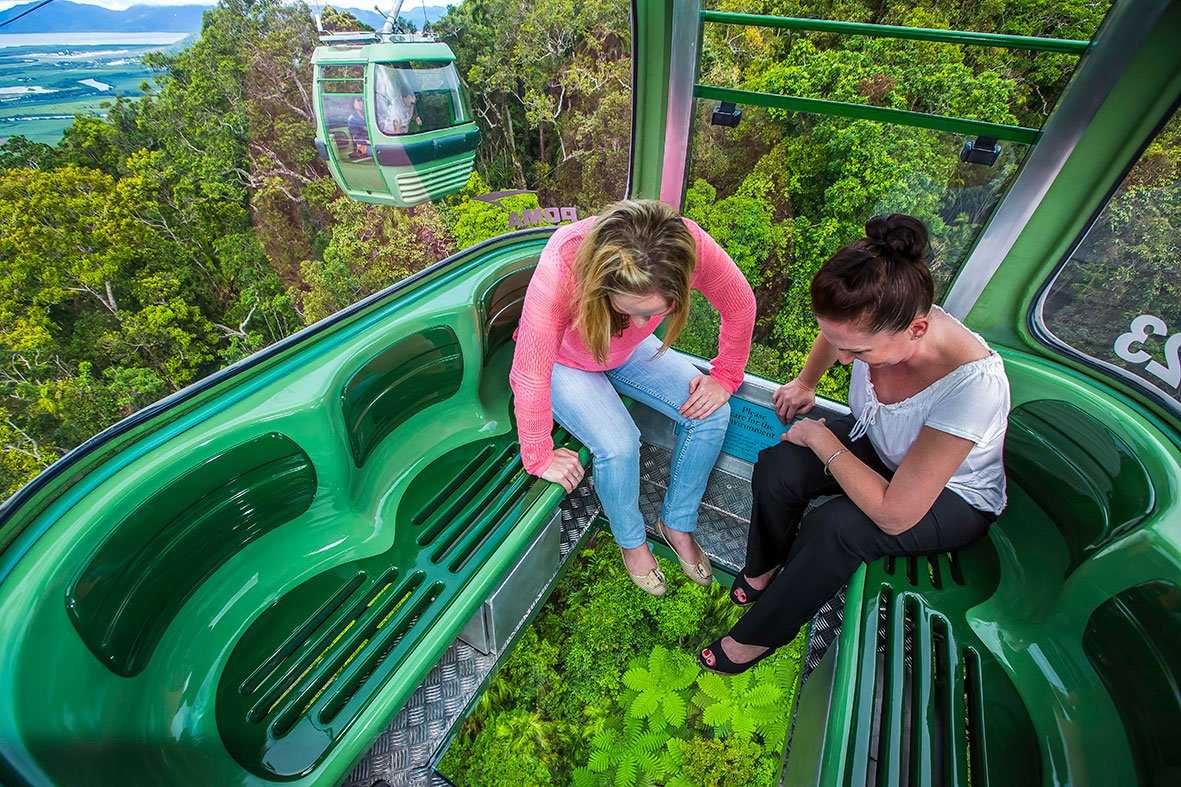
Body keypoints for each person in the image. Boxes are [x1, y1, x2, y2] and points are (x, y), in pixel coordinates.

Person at [699, 214, 1009, 673]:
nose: (844, 359)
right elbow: (836, 337)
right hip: (884, 446)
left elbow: (895, 513)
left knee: (836, 527)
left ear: (918, 331)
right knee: (780, 465)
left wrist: (823, 438)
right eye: (837, 343)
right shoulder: (877, 322)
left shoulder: (972, 387)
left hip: (949, 496)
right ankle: (763, 568)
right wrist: (807, 382)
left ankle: (761, 636)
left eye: (858, 354)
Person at [510, 199, 757, 595]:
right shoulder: (563, 265)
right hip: (566, 360)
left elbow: (740, 303)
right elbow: (530, 370)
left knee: (712, 414)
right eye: (633, 311)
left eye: (657, 312)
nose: (645, 322)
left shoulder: (689, 245)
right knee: (621, 445)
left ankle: (676, 522)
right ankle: (631, 541)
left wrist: (725, 377)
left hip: (625, 352)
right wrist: (538, 453)